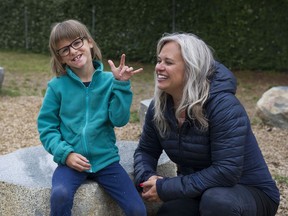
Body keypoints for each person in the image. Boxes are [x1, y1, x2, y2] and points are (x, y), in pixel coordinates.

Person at [133, 33, 280, 216]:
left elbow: (226, 171)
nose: (158, 68)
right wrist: (147, 178)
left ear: (192, 68)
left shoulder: (224, 106)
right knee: (171, 212)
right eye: (159, 60)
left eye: (168, 63)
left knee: (217, 202)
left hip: (250, 193)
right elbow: (146, 151)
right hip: (200, 191)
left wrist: (167, 188)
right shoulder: (160, 107)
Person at [37, 19, 146, 216]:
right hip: (71, 163)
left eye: (76, 43)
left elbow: (119, 120)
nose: (72, 51)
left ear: (89, 42)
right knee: (60, 195)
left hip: (106, 161)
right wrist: (66, 154)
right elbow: (47, 128)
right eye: (64, 49)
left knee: (138, 209)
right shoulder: (56, 87)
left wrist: (121, 85)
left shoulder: (109, 81)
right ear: (60, 57)